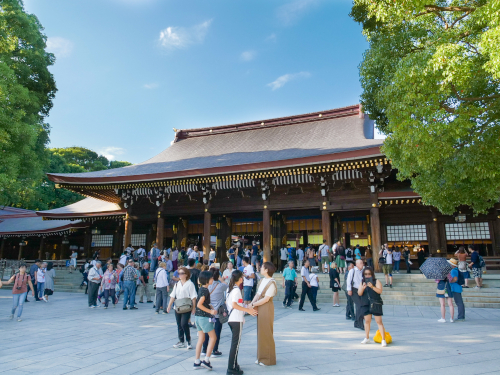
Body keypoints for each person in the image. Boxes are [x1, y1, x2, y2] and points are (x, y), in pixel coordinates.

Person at [226, 270, 258, 375]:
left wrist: (245, 307)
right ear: (240, 279)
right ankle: (231, 368)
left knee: (235, 344)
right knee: (235, 345)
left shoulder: (230, 289)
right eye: (243, 277)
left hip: (232, 319)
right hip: (236, 319)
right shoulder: (236, 290)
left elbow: (234, 303)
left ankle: (234, 365)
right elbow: (234, 305)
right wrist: (248, 310)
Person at [250, 262, 277, 366]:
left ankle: (268, 359)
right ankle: (261, 357)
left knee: (266, 332)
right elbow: (258, 294)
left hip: (267, 307)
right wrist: (252, 303)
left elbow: (266, 299)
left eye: (262, 267)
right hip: (260, 306)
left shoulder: (272, 282)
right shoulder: (262, 280)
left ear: (266, 270)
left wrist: (253, 304)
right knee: (261, 332)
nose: (260, 268)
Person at [168, 267, 197, 349]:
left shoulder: (190, 284)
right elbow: (173, 295)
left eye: (181, 273)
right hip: (177, 306)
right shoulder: (177, 284)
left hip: (187, 306)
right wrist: (169, 305)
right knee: (179, 324)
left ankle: (188, 340)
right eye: (179, 273)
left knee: (184, 323)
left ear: (186, 274)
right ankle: (181, 341)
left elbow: (193, 297)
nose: (179, 275)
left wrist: (194, 308)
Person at [201, 268, 228, 358]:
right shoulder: (220, 286)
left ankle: (204, 349)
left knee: (207, 331)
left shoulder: (207, 286)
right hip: (217, 312)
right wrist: (221, 278)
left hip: (208, 312)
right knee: (217, 331)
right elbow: (226, 285)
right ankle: (214, 350)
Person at [358, 267, 387, 346]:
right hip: (365, 303)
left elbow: (380, 291)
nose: (367, 276)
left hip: (375, 302)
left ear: (372, 274)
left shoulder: (376, 281)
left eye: (369, 274)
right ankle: (367, 338)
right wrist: (363, 288)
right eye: (365, 274)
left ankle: (383, 339)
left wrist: (372, 287)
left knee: (379, 322)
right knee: (367, 321)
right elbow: (359, 293)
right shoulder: (362, 282)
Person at [347, 259, 365, 330]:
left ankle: (357, 322)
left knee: (360, 306)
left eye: (362, 263)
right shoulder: (352, 270)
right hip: (354, 290)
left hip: (361, 290)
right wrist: (349, 290)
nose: (362, 264)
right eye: (360, 263)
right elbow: (348, 280)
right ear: (357, 264)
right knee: (359, 305)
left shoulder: (363, 271)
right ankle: (360, 323)